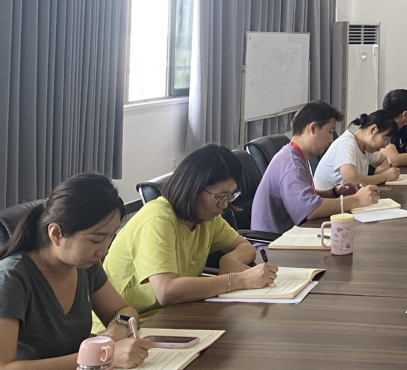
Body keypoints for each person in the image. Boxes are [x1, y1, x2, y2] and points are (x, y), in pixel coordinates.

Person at [99, 145, 277, 324]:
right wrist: (239, 280)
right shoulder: (159, 220)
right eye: (220, 197)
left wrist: (229, 259)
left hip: (173, 313)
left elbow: (245, 246)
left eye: (230, 196)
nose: (224, 206)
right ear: (194, 188)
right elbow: (166, 291)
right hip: (128, 325)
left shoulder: (207, 218)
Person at [0, 174, 152, 369]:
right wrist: (100, 357)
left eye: (110, 238)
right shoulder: (11, 278)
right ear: (56, 233)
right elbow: (4, 366)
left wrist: (116, 330)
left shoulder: (85, 265)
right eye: (95, 240)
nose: (104, 251)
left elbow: (124, 311)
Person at [251, 102, 380, 234]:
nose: (331, 139)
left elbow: (304, 197)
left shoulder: (295, 156)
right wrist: (357, 200)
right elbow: (309, 209)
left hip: (291, 235)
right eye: (330, 131)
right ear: (313, 128)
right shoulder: (291, 163)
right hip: (274, 242)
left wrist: (334, 192)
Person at [313, 110, 401, 189]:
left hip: (346, 198)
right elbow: (351, 180)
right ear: (373, 129)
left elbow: (384, 160)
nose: (385, 146)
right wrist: (383, 177)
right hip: (329, 200)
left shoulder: (366, 147)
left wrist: (381, 168)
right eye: (385, 139)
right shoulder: (346, 144)